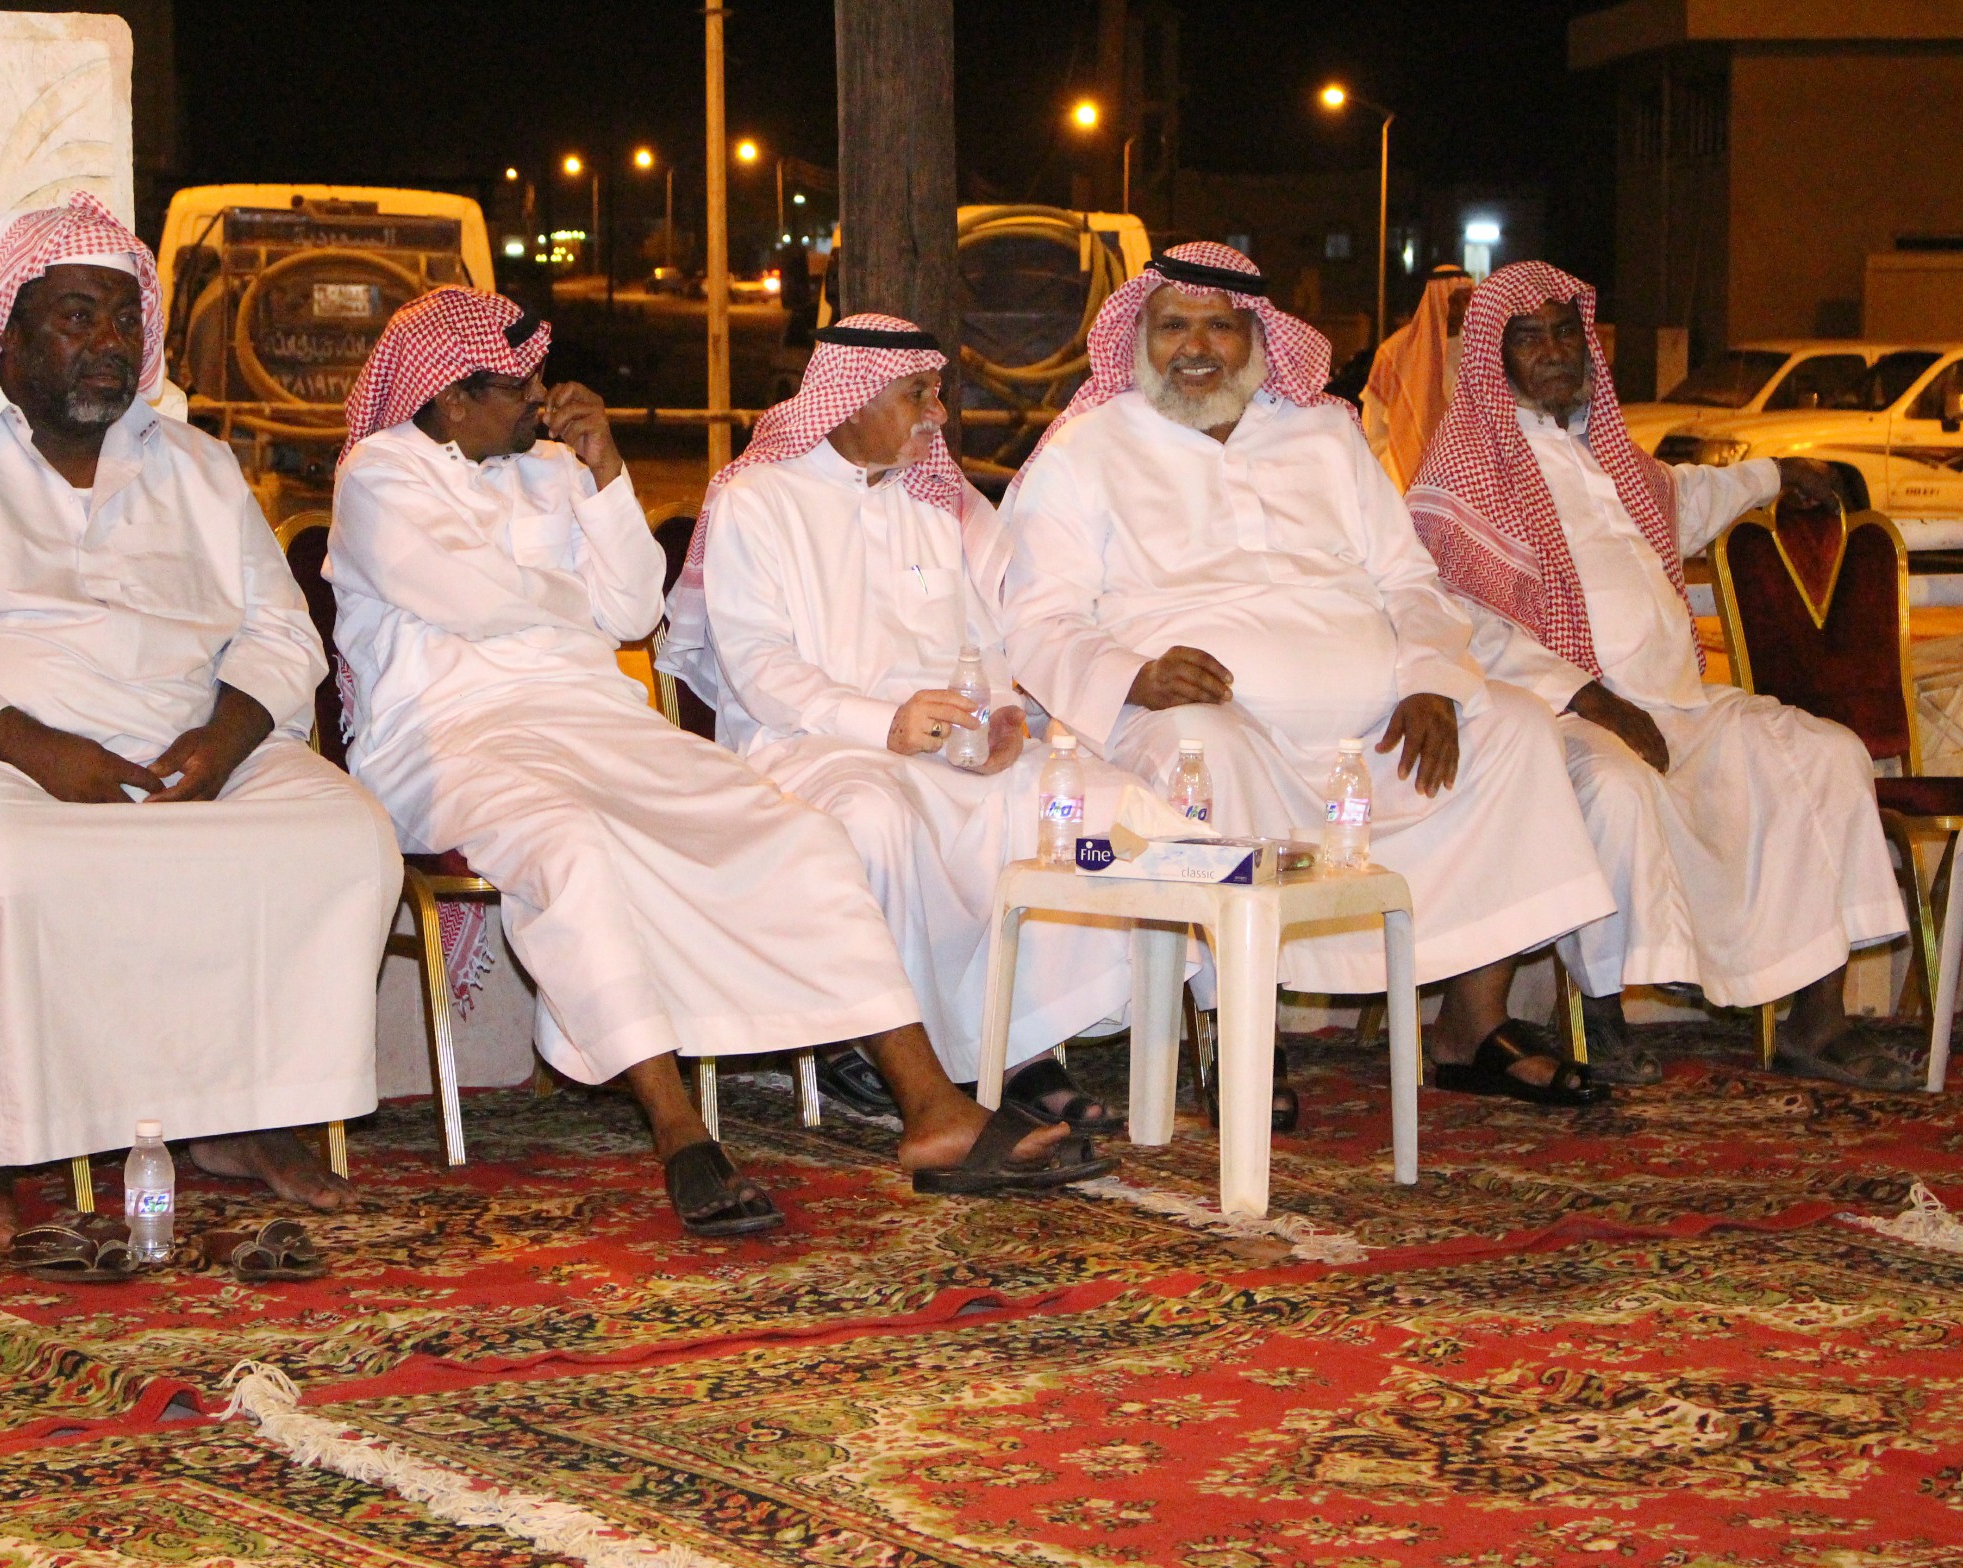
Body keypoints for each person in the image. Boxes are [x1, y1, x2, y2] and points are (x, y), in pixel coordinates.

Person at [327, 287, 1108, 1235]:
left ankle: (933, 1109)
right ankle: (681, 1134)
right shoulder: (378, 474)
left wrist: (607, 476)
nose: (543, 398)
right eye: (520, 385)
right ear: (453, 397)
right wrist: (562, 599)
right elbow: (471, 599)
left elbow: (630, 608)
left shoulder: (557, 472)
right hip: (449, 737)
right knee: (572, 847)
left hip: (598, 721)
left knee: (794, 833)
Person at [0, 192, 402, 1246]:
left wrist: (222, 744)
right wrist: (46, 754)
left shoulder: (196, 465)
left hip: (192, 745)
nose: (108, 343)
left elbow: (281, 633)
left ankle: (244, 1117)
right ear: (6, 331)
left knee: (347, 837)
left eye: (126, 319)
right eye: (77, 316)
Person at [1002, 242, 1618, 1107]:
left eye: (1220, 326)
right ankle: (1242, 1037)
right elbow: (1037, 618)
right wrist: (1133, 675)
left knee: (1514, 728)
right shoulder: (1088, 449)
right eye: (1172, 327)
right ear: (1139, 337)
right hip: (1204, 717)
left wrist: (1430, 679)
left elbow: (1410, 580)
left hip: (1368, 732)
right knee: (1206, 747)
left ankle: (1471, 1026)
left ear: (1260, 337)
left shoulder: (1326, 434)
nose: (1195, 348)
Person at [1409, 260, 1912, 1088]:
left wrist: (1776, 475)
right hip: (1563, 713)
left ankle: (1819, 1023)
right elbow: (1460, 621)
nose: (1553, 351)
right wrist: (1595, 701)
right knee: (1615, 786)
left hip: (1682, 706)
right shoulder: (1464, 476)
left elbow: (1691, 500)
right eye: (1528, 338)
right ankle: (1603, 1018)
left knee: (1827, 756)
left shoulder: (1613, 460)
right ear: (1494, 357)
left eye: (1565, 332)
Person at [661, 314, 1134, 1132]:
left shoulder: (929, 503)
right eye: (918, 394)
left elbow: (983, 641)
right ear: (849, 399)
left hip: (945, 747)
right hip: (811, 748)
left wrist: (1004, 713)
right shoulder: (757, 500)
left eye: (935, 392)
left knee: (1096, 802)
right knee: (876, 819)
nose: (937, 414)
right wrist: (883, 724)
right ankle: (880, 1047)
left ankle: (1015, 1038)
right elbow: (760, 666)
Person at [1363, 266, 1473, 490]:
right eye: (1454, 301)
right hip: (1402, 482)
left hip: (1463, 480)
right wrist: (1389, 475)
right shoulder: (1395, 352)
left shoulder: (1478, 351)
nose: (1463, 309)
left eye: (1467, 300)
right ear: (1436, 300)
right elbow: (1373, 427)